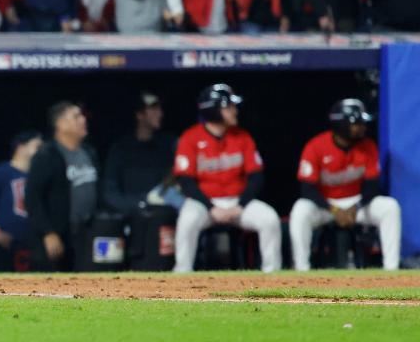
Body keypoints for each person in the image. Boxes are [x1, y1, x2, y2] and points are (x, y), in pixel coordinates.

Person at [172, 84, 282, 273]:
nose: (235, 110)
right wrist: (211, 208)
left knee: (269, 218)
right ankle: (182, 273)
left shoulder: (243, 137)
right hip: (204, 203)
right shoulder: (190, 138)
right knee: (187, 220)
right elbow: (186, 182)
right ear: (214, 110)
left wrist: (240, 205)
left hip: (237, 202)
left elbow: (256, 177)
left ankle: (272, 274)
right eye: (229, 106)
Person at [289, 99, 400, 271]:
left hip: (356, 205)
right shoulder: (316, 146)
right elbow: (307, 188)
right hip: (326, 205)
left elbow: (372, 185)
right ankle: (301, 270)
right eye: (357, 123)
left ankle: (391, 270)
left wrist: (355, 207)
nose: (363, 127)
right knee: (300, 210)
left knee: (390, 207)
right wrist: (333, 210)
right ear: (342, 124)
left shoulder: (368, 146)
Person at [25, 101, 98, 272]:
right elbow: (32, 198)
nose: (83, 120)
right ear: (61, 124)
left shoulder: (89, 152)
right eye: (76, 116)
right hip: (57, 236)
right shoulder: (47, 155)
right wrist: (48, 232)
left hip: (85, 234)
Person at [0, 130, 42, 272]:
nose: (41, 152)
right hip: (3, 247)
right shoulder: (0, 174)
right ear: (21, 147)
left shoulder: (39, 176)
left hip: (31, 245)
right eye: (37, 147)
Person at [104, 94, 180, 216]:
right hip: (131, 218)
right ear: (140, 114)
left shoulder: (169, 145)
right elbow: (110, 194)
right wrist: (140, 204)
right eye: (154, 109)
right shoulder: (120, 149)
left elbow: (176, 183)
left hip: (164, 216)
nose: (160, 114)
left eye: (160, 108)